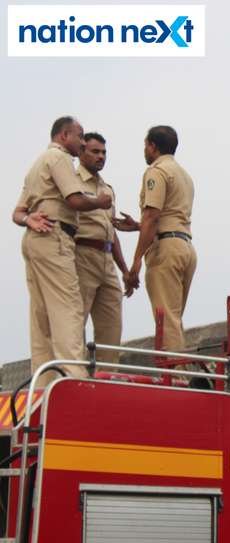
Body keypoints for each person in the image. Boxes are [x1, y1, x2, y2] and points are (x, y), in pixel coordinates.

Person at [12, 116, 112, 385]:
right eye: (80, 137)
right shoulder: (59, 159)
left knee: (41, 318)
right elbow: (75, 199)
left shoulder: (37, 164)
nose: (82, 143)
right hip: (55, 237)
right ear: (64, 135)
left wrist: (28, 219)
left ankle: (44, 386)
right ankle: (73, 381)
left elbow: (17, 213)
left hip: (36, 240)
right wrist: (101, 202)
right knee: (68, 310)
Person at [114, 126, 196, 352]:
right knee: (174, 317)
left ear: (152, 146)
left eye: (145, 145)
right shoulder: (184, 175)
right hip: (185, 246)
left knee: (166, 319)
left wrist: (137, 260)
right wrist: (139, 227)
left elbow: (152, 215)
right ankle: (178, 372)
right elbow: (170, 217)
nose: (145, 150)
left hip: (166, 250)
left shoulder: (156, 171)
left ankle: (174, 377)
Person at [74, 133, 130, 362]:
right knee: (76, 320)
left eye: (104, 152)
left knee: (112, 323)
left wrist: (125, 270)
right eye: (95, 151)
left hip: (106, 257)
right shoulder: (72, 180)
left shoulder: (107, 188)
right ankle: (72, 372)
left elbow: (111, 230)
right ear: (81, 152)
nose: (101, 156)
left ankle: (106, 374)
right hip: (82, 253)